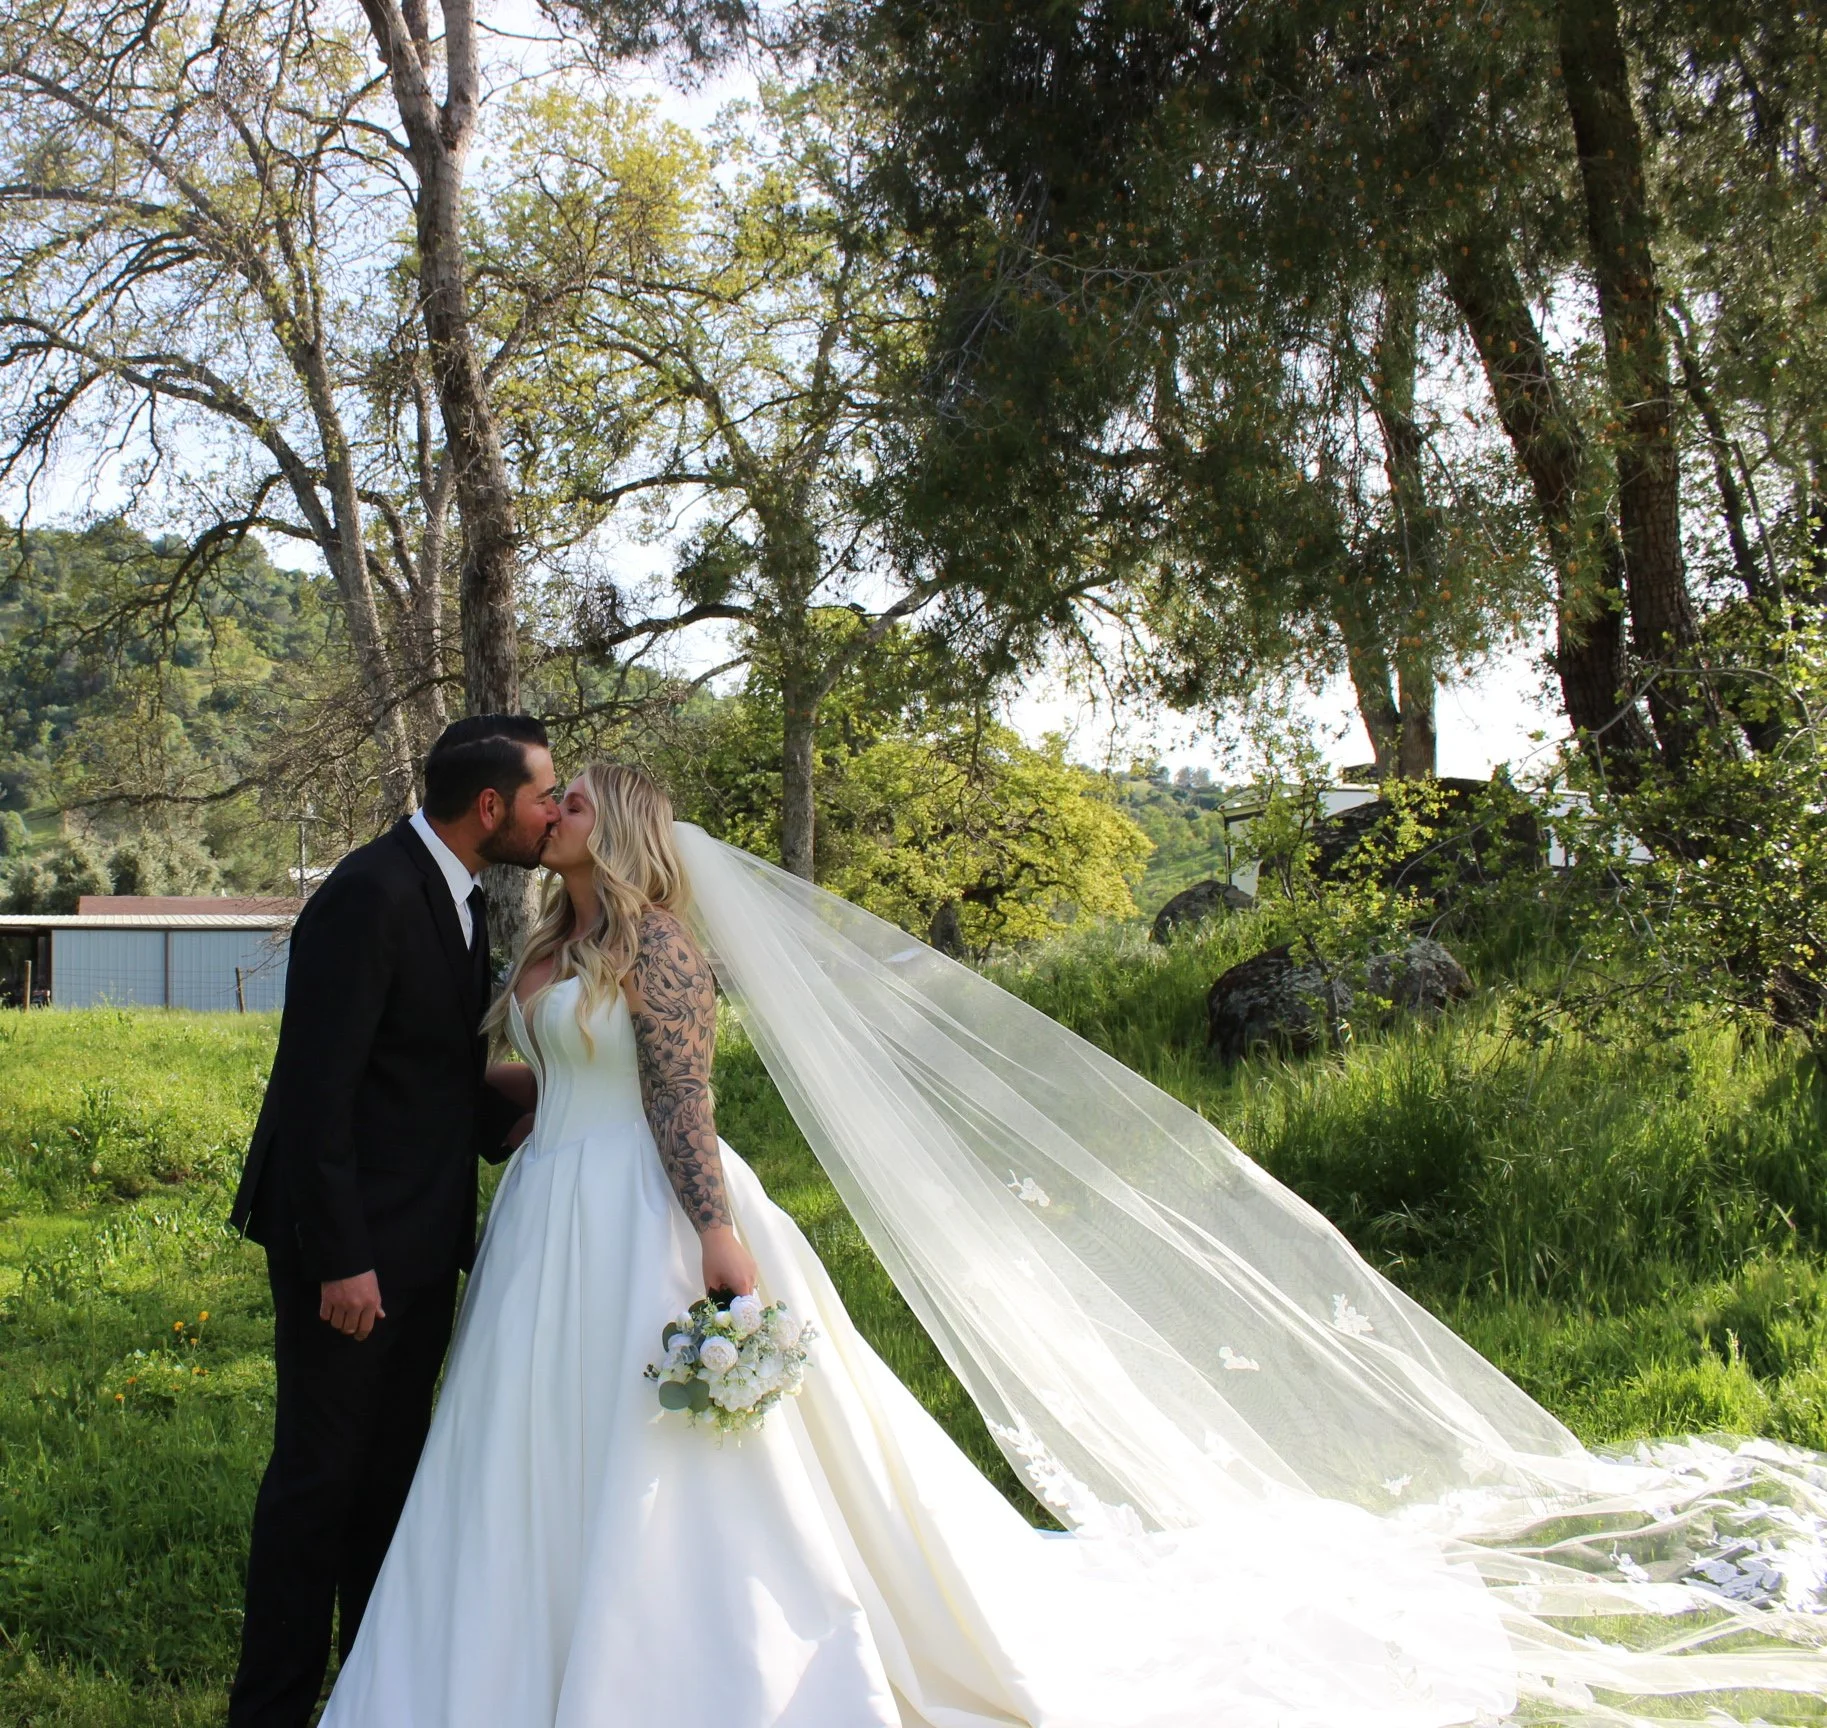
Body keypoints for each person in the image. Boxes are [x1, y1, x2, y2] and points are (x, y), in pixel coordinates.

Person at [321, 763, 1827, 1728]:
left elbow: (677, 1098)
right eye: (552, 800)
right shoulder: (538, 949)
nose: (557, 808)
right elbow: (534, 1086)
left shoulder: (657, 947)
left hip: (651, 1213)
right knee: (527, 1451)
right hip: (544, 1227)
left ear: (633, 830)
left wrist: (717, 1238)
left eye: (581, 800)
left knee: (685, 1462)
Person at [226, 714, 562, 1728]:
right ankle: (271, 1711)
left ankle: (374, 1698)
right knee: (317, 1489)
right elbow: (315, 1094)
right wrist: (342, 1262)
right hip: (351, 1257)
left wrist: (567, 1100)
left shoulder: (459, 898)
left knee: (387, 1489)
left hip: (418, 1252)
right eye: (544, 794)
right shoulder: (369, 894)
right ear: (491, 806)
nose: (554, 812)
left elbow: (429, 1080)